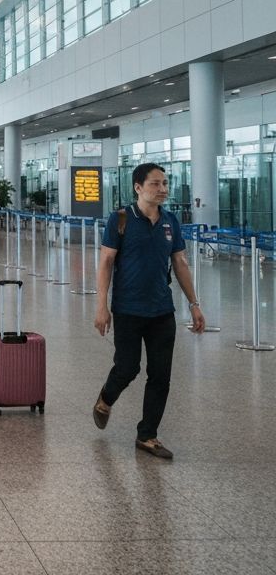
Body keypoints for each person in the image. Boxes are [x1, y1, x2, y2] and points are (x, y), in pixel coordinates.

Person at [93, 163, 206, 460]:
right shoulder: (120, 219)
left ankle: (148, 435)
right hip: (128, 308)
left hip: (161, 310)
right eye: (156, 184)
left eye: (165, 183)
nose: (163, 189)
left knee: (161, 374)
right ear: (138, 187)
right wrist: (101, 306)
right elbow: (106, 263)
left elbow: (180, 264)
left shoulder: (171, 221)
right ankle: (106, 398)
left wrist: (194, 304)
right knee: (128, 367)